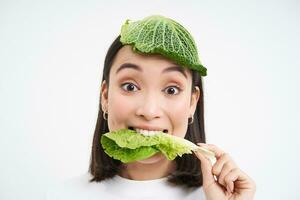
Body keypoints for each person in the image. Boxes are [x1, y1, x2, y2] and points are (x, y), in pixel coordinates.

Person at [46, 15, 256, 200]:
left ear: (192, 102)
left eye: (171, 90)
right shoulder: (63, 195)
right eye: (130, 86)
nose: (149, 110)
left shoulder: (221, 197)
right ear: (105, 96)